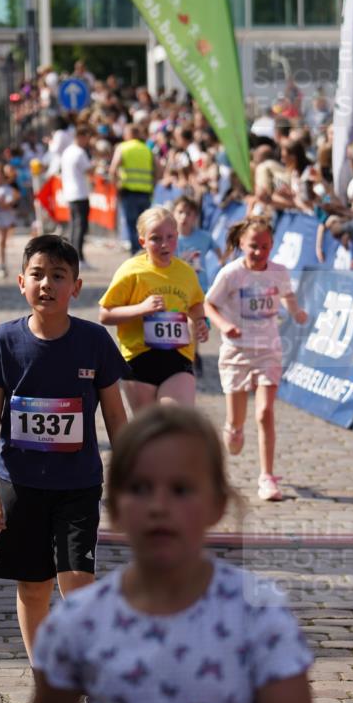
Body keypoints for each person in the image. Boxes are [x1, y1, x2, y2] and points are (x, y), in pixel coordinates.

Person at [7, 403, 318, 703]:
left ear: (218, 503)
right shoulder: (81, 622)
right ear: (112, 507)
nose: (159, 505)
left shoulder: (258, 616)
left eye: (181, 489)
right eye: (140, 488)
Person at [0, 234, 128, 661]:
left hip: (78, 485)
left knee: (78, 582)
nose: (47, 284)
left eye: (58, 276)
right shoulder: (4, 342)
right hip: (19, 484)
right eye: (38, 275)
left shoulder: (95, 341)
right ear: (21, 282)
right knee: (34, 585)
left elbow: (116, 415)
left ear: (75, 287)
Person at [204, 217, 308, 502]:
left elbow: (287, 295)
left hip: (268, 350)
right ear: (241, 244)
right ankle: (234, 429)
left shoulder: (278, 272)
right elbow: (208, 303)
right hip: (236, 351)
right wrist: (224, 325)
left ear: (272, 245)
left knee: (264, 413)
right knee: (236, 427)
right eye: (253, 246)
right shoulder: (231, 273)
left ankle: (267, 477)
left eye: (265, 246)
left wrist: (296, 311)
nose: (259, 252)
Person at [99, 205, 209, 411]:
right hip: (139, 358)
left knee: (178, 421)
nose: (164, 244)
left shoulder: (186, 272)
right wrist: (140, 309)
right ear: (142, 241)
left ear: (177, 237)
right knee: (149, 433)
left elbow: (195, 304)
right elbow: (105, 314)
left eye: (170, 237)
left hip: (179, 356)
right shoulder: (131, 271)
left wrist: (200, 321)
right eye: (156, 238)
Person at [173, 195, 213, 377]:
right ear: (174, 214)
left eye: (188, 213)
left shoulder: (203, 237)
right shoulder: (170, 238)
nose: (184, 217)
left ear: (195, 216)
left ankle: (193, 355)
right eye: (180, 212)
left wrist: (222, 262)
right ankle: (184, 355)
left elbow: (219, 249)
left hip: (200, 289)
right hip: (177, 290)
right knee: (180, 324)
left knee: (196, 324)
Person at [109, 124, 158, 253]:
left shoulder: (123, 148)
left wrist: (116, 186)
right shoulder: (147, 149)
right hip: (145, 192)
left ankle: (136, 254)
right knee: (144, 224)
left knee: (132, 225)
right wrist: (153, 184)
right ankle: (145, 252)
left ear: (128, 134)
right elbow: (159, 169)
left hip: (128, 192)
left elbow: (113, 169)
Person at [60, 124, 93, 266]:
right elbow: (89, 171)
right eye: (86, 138)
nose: (87, 142)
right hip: (79, 193)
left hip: (69, 193)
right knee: (80, 227)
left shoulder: (67, 151)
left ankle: (73, 257)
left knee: (74, 226)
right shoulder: (79, 152)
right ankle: (79, 257)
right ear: (81, 137)